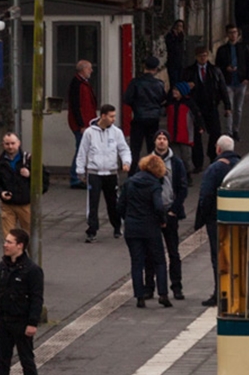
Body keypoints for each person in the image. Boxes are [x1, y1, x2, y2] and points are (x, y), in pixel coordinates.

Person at [0, 227, 44, 375]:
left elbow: (37, 298)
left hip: (22, 321)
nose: (5, 245)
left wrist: (32, 322)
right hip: (4, 320)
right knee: (3, 360)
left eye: (9, 242)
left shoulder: (32, 271)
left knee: (27, 359)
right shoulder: (2, 268)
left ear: (20, 246)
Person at [122, 153, 173, 309]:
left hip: (132, 228)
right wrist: (162, 221)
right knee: (159, 260)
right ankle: (163, 294)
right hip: (150, 228)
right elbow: (158, 206)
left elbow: (120, 205)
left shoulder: (130, 182)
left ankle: (139, 296)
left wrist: (128, 217)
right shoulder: (154, 185)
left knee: (137, 262)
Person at [75, 104, 132, 241]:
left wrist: (126, 162)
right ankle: (92, 230)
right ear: (103, 116)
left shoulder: (116, 132)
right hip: (94, 173)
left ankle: (117, 226)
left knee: (113, 202)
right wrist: (80, 171)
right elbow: (82, 152)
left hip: (111, 172)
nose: (114, 119)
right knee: (93, 203)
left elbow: (124, 149)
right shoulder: (89, 132)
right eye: (111, 116)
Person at [194, 136, 239, 307]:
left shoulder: (215, 169)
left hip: (216, 218)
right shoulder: (241, 165)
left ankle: (220, 292)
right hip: (239, 218)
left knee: (219, 256)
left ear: (218, 149)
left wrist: (201, 219)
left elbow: (205, 195)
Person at [152, 129, 190, 302]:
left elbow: (183, 187)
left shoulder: (176, 163)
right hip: (152, 213)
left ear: (168, 142)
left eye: (164, 139)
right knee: (151, 252)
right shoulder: (148, 161)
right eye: (159, 138)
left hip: (170, 211)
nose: (161, 141)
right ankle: (149, 287)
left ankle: (177, 286)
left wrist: (174, 209)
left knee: (173, 251)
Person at [0, 133, 33, 239]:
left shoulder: (29, 160)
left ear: (18, 143)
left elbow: (43, 178)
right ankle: (10, 256)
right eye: (7, 144)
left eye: (13, 143)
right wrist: (1, 193)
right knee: (8, 238)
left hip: (25, 204)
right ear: (3, 145)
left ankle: (30, 255)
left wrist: (30, 175)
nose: (10, 146)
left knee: (29, 236)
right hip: (8, 205)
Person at [187, 47, 226, 160]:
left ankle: (212, 154)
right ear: (196, 57)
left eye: (204, 55)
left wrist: (227, 106)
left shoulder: (215, 70)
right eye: (200, 56)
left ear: (208, 56)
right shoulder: (190, 71)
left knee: (215, 132)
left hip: (211, 105)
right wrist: (187, 86)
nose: (203, 58)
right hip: (196, 107)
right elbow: (181, 87)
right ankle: (198, 161)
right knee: (196, 135)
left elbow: (222, 88)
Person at [126, 61, 168, 158]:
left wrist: (136, 106)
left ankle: (133, 170)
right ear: (156, 69)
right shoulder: (159, 84)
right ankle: (153, 170)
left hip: (139, 117)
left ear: (144, 67)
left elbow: (127, 99)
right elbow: (163, 100)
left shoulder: (135, 83)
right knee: (153, 147)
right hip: (154, 118)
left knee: (135, 149)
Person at [218, 27, 249, 135]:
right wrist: (225, 69)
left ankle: (236, 129)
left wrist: (247, 77)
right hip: (228, 82)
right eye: (230, 33)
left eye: (235, 32)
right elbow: (218, 66)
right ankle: (229, 131)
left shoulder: (243, 47)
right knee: (229, 108)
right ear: (227, 34)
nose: (233, 35)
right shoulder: (222, 49)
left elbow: (248, 63)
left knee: (238, 109)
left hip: (240, 82)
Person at [67, 59, 99, 137]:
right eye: (89, 68)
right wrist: (81, 124)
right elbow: (75, 105)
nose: (91, 71)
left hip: (88, 121)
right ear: (83, 69)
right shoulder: (78, 84)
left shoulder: (83, 83)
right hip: (83, 123)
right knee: (82, 146)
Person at [163, 18, 190, 83]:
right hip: (172, 63)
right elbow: (172, 47)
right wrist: (175, 37)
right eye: (178, 26)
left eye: (181, 26)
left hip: (180, 63)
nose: (179, 28)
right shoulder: (170, 36)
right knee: (174, 81)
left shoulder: (182, 36)